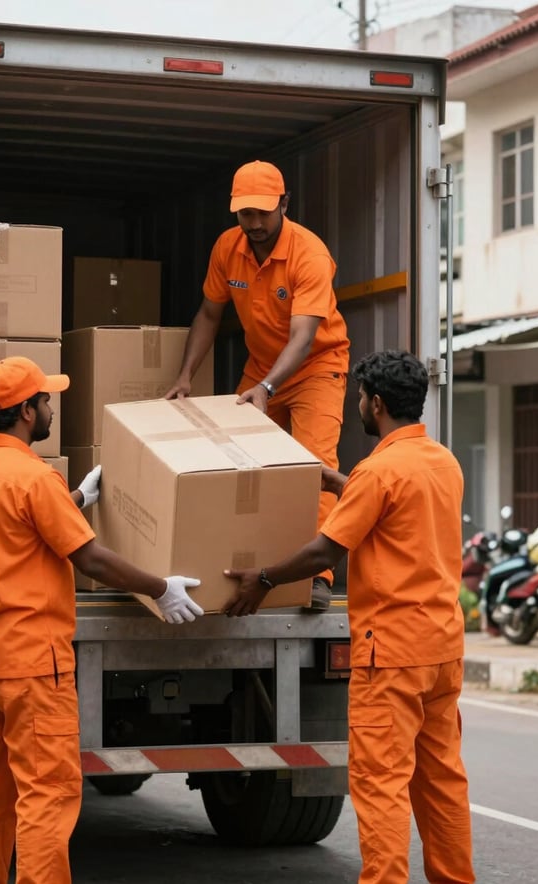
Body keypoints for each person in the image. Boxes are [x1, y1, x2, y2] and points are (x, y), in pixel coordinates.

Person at [0, 356, 203, 884]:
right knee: (47, 792)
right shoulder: (35, 479)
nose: (50, 410)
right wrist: (161, 587)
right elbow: (89, 558)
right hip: (33, 666)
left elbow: (16, 531)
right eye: (45, 401)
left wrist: (81, 496)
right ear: (23, 412)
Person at [223, 350, 475, 884]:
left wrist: (263, 579)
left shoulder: (378, 471)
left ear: (377, 403)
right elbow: (395, 511)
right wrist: (339, 482)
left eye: (360, 397)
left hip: (392, 655)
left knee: (381, 783)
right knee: (442, 781)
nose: (357, 404)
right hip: (443, 649)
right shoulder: (442, 462)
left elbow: (324, 553)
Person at [165, 159, 350, 611]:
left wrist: (267, 387)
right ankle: (245, 564)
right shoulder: (229, 248)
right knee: (245, 466)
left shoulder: (309, 254)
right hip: (263, 367)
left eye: (263, 213)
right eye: (245, 214)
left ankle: (318, 577)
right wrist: (185, 375)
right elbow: (209, 315)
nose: (254, 223)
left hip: (316, 368)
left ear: (284, 203)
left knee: (314, 466)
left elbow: (304, 337)